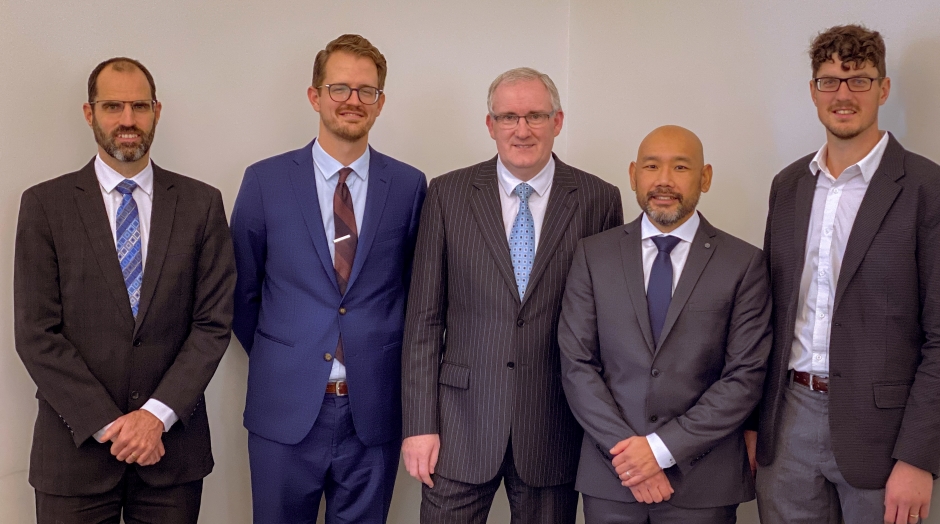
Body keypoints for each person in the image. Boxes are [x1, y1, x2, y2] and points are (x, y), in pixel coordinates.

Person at [748, 24, 940, 524]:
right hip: (786, 424)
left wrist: (918, 457)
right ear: (812, 91)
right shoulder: (787, 187)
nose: (842, 95)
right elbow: (767, 315)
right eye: (829, 81)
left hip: (884, 436)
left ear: (883, 89)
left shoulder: (931, 192)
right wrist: (753, 422)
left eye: (859, 80)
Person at [13, 57, 235, 523]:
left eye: (139, 106)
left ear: (157, 111)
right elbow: (37, 334)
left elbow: (212, 324)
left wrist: (155, 417)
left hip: (170, 454)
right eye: (113, 106)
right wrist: (115, 427)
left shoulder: (201, 204)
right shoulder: (44, 205)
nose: (128, 120)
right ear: (89, 113)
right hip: (73, 457)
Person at [400, 67, 623, 523]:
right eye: (508, 117)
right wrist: (419, 425)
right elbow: (423, 319)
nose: (522, 130)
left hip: (553, 423)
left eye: (536, 116)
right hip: (459, 423)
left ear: (558, 121)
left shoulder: (599, 199)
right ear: (490, 125)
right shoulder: (448, 193)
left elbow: (609, 326)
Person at [230, 34, 426, 524]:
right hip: (286, 408)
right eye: (340, 88)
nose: (353, 101)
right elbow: (241, 290)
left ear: (381, 103)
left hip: (374, 411)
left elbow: (414, 291)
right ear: (315, 96)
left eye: (367, 91)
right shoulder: (264, 181)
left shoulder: (408, 185)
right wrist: (290, 352)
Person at [558, 125, 771, 523]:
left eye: (681, 167)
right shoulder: (593, 255)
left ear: (705, 177)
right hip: (612, 478)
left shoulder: (744, 264)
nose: (664, 181)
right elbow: (576, 364)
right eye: (652, 166)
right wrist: (630, 456)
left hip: (703, 482)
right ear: (633, 174)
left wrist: (659, 450)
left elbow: (744, 377)